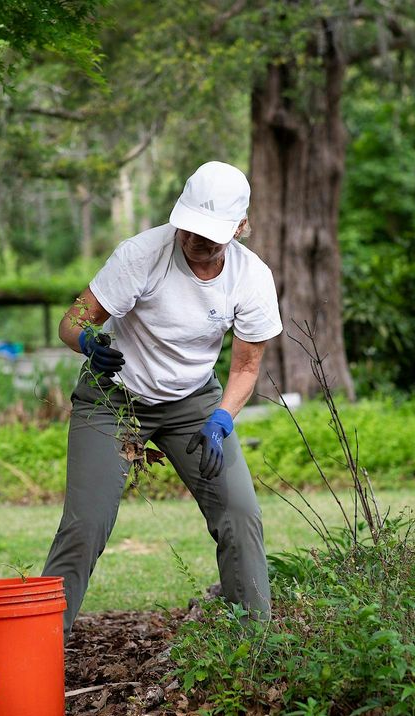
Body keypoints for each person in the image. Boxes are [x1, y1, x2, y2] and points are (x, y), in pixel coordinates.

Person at [41, 161, 283, 639]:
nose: (196, 240)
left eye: (211, 235)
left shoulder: (251, 277)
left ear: (239, 227)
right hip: (114, 399)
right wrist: (88, 342)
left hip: (194, 402)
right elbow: (73, 320)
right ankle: (42, 643)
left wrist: (222, 418)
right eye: (190, 228)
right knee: (86, 523)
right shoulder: (141, 255)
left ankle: (253, 645)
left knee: (240, 515)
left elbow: (245, 369)